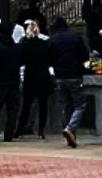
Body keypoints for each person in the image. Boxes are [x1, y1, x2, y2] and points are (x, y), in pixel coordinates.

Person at [48, 17, 89, 148]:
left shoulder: (52, 40)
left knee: (66, 105)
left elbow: (49, 59)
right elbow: (85, 55)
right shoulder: (75, 38)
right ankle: (71, 129)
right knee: (79, 105)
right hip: (75, 74)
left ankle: (69, 132)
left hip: (60, 75)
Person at [0, 22, 25, 142]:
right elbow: (20, 63)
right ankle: (9, 133)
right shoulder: (16, 47)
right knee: (12, 109)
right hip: (13, 82)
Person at [15, 20, 54, 140]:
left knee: (26, 105)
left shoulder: (25, 45)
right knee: (43, 105)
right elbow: (50, 60)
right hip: (43, 76)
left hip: (30, 77)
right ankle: (41, 130)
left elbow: (20, 61)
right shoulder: (44, 44)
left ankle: (19, 129)